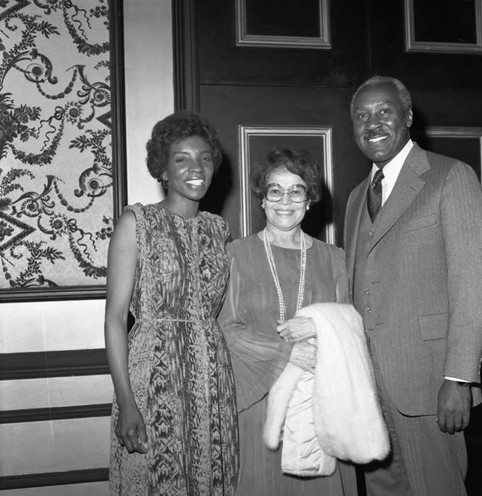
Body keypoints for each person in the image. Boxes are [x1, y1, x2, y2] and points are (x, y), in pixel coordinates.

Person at [344, 75, 482, 496]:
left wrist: (459, 379)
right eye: (361, 115)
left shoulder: (451, 177)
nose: (372, 123)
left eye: (384, 111)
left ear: (408, 116)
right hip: (370, 388)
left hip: (430, 384)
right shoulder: (357, 197)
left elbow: (473, 283)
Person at [105, 111, 238, 495]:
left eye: (205, 158)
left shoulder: (218, 229)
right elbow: (114, 319)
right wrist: (127, 401)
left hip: (212, 380)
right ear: (163, 169)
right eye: (182, 159)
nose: (196, 168)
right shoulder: (136, 222)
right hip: (153, 379)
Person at [218, 148, 358, 495]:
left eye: (296, 190)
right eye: (274, 190)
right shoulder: (236, 254)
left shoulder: (333, 258)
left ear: (309, 200)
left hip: (319, 401)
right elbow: (226, 328)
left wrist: (322, 326)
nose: (285, 200)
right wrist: (285, 353)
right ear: (262, 200)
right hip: (259, 402)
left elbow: (355, 329)